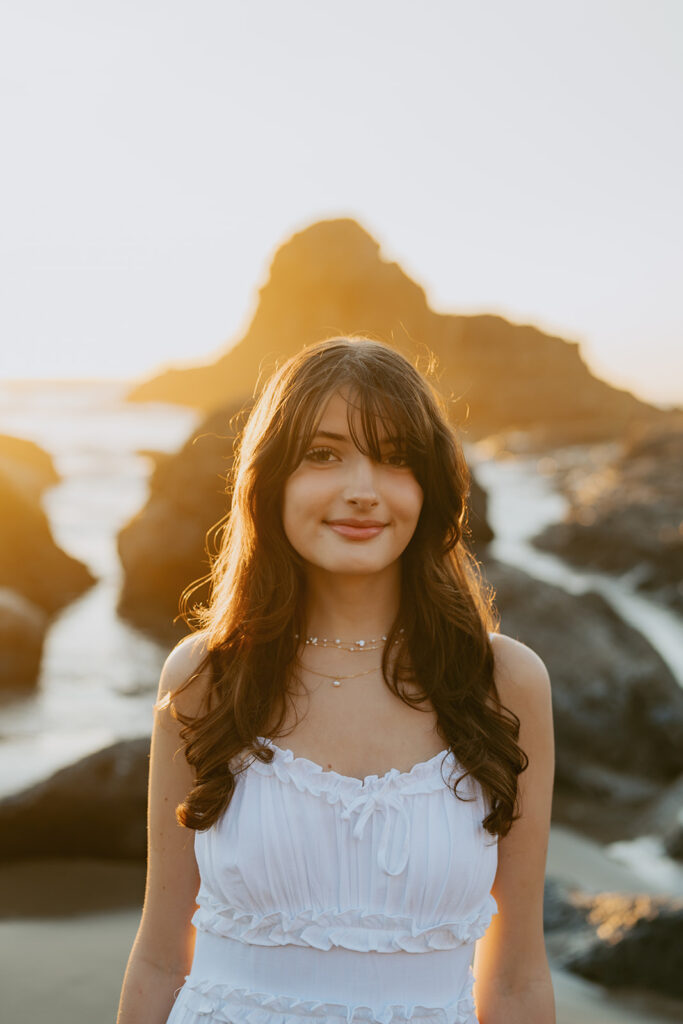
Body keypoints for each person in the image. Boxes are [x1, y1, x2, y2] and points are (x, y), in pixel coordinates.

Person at [116, 336, 556, 1024]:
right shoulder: (206, 675)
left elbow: (518, 977)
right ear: (272, 482)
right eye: (322, 455)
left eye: (395, 458)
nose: (361, 491)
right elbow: (162, 954)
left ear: (429, 487)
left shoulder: (502, 682)